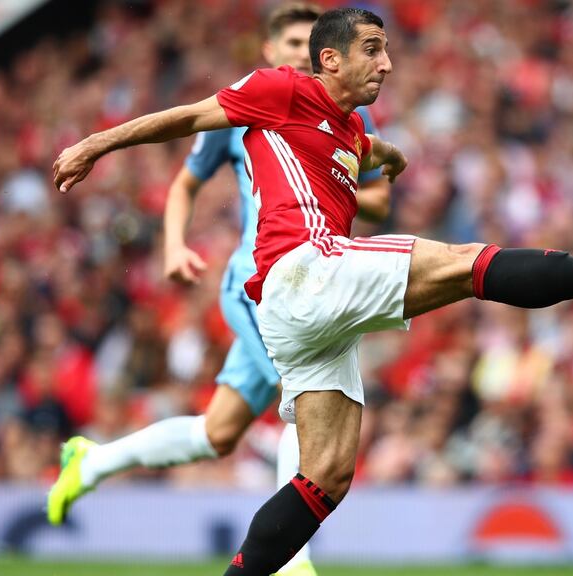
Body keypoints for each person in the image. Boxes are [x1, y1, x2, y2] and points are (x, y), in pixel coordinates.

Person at [52, 8, 573, 575]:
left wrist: (388, 154)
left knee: (325, 477)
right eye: (373, 49)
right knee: (465, 263)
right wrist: (94, 145)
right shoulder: (279, 88)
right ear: (330, 59)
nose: (388, 63)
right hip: (304, 269)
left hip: (301, 314)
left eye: (388, 49)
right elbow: (187, 118)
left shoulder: (346, 129)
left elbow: (363, 149)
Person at [46, 5, 389, 576]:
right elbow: (186, 178)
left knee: (219, 431)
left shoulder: (350, 113)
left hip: (317, 279)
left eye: (306, 43)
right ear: (272, 51)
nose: (297, 53)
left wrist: (344, 170)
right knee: (306, 393)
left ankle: (92, 462)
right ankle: (295, 563)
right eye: (291, 43)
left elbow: (378, 198)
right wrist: (173, 243)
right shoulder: (254, 101)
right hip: (262, 283)